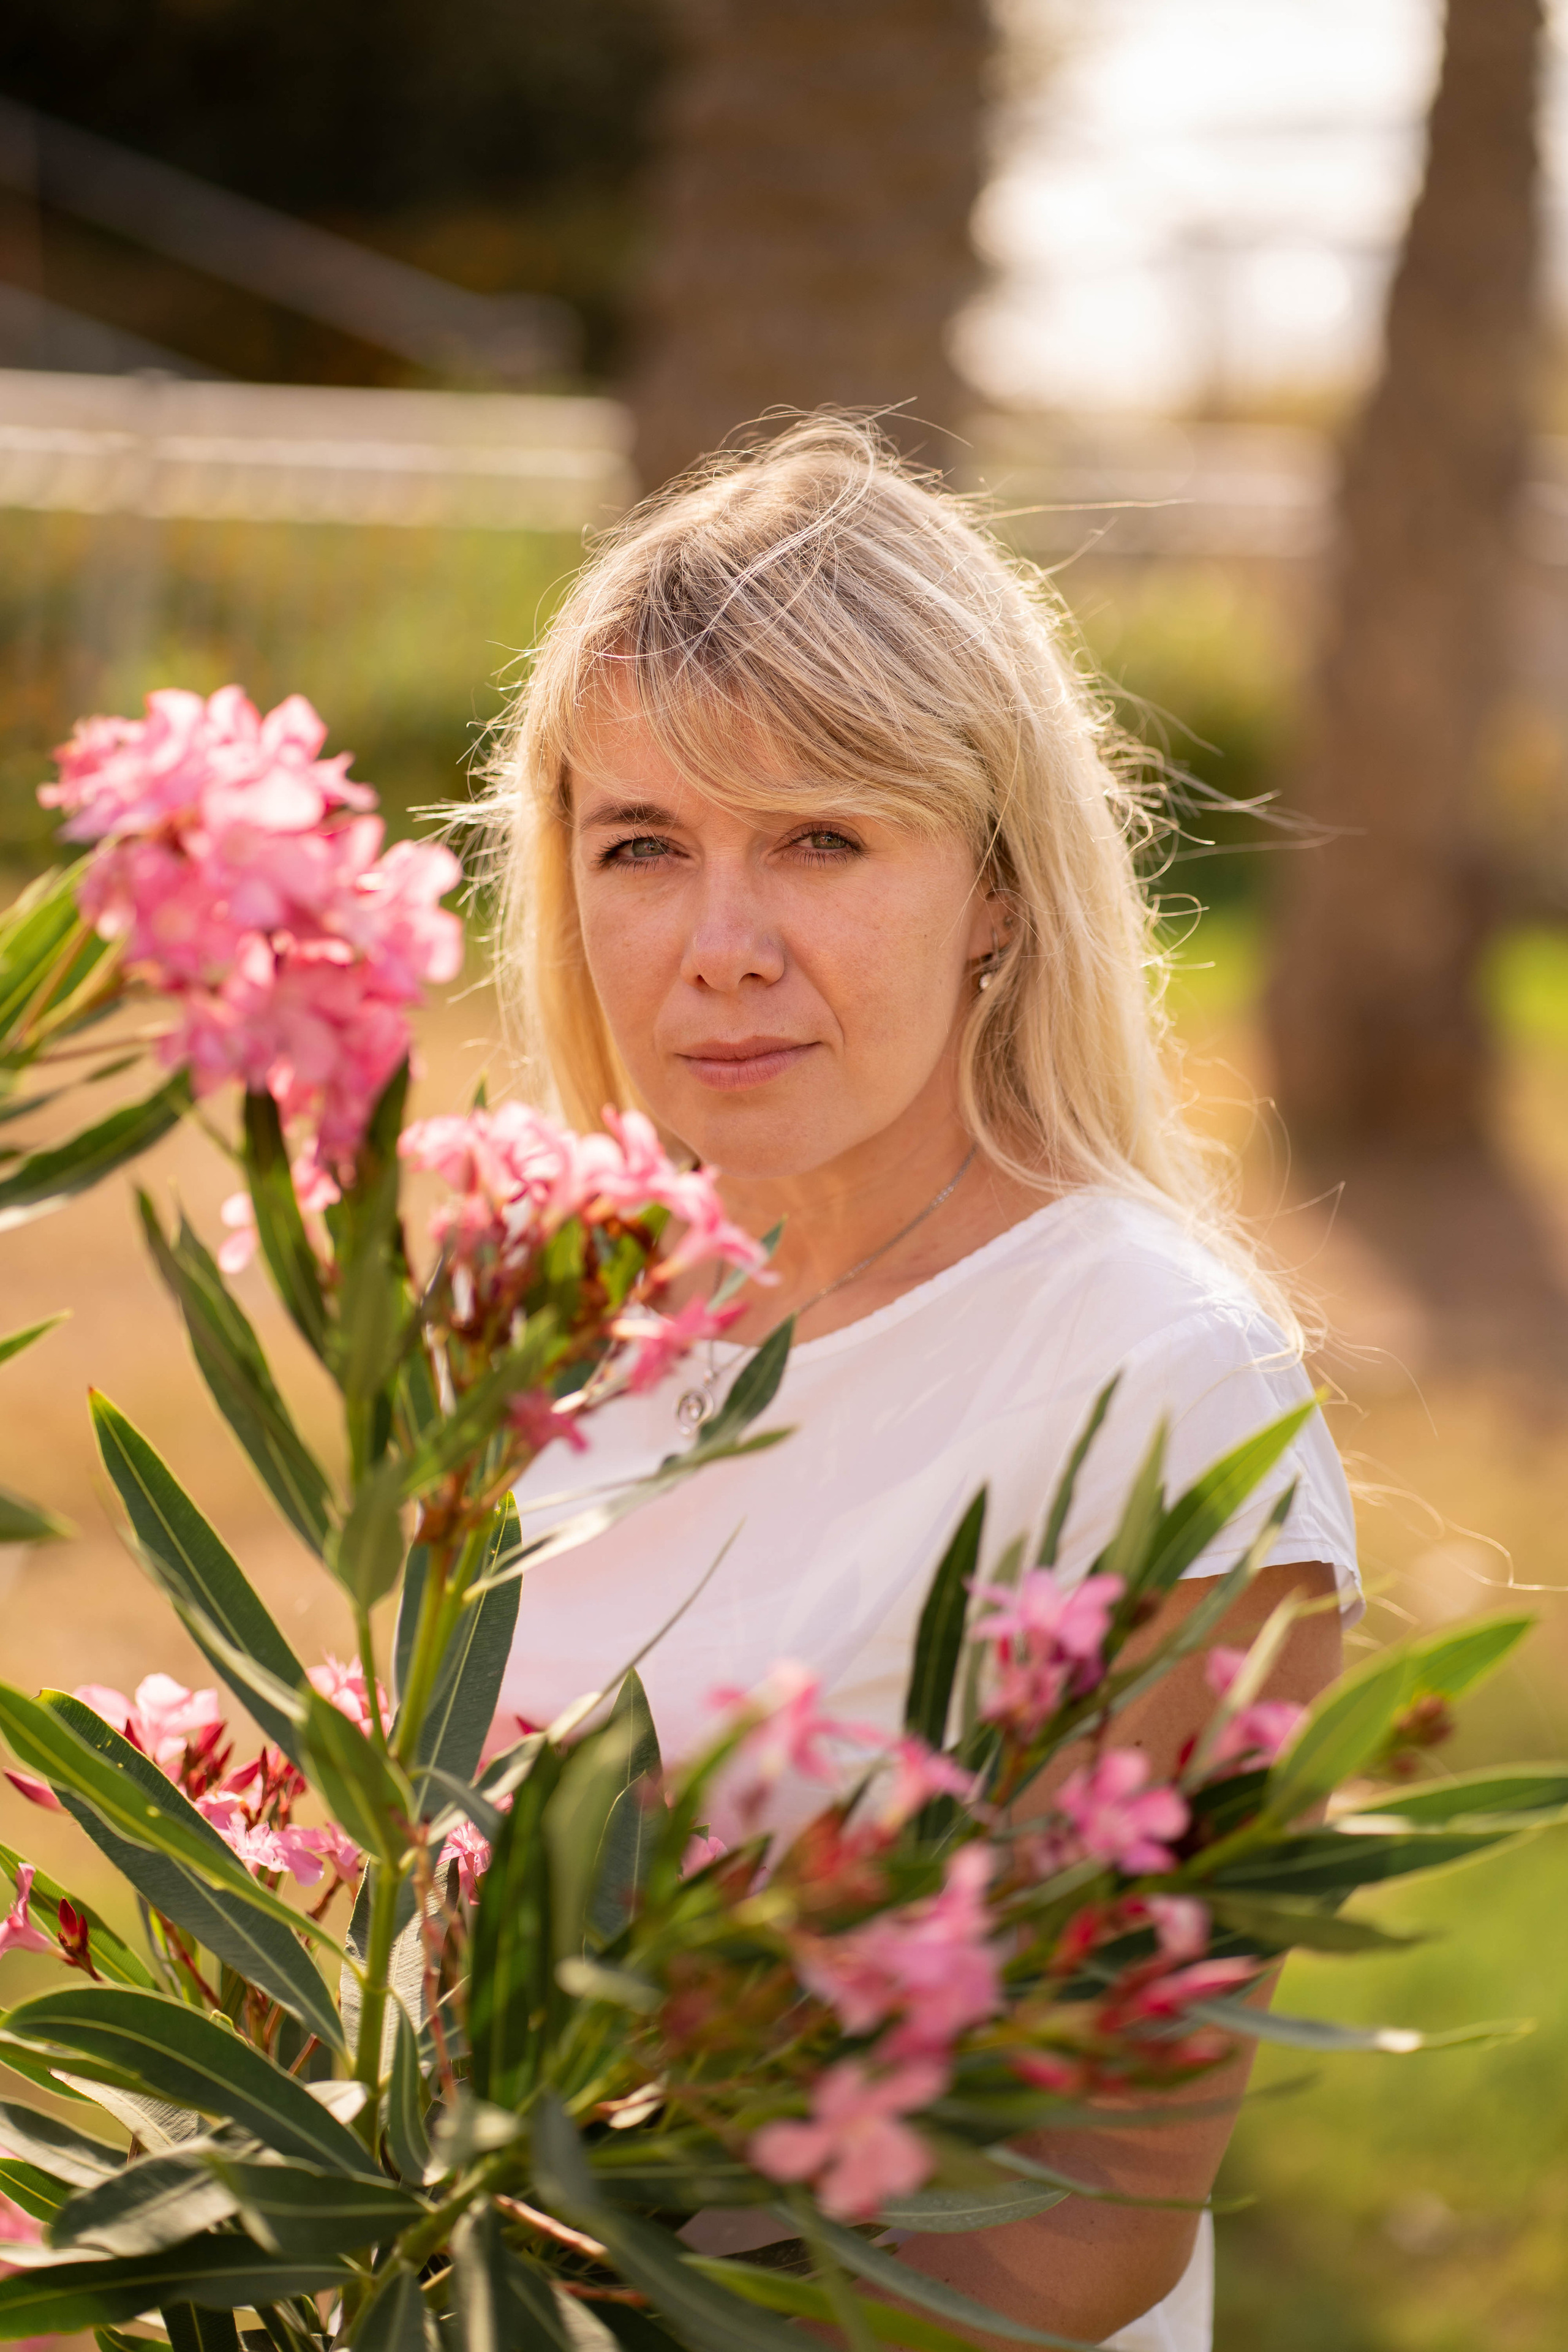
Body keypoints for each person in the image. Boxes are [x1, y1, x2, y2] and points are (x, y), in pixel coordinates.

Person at [475, 417, 1357, 2351]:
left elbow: (1076, 2229)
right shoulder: (557, 1326)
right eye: (644, 846)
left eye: (819, 839)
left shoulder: (1161, 1380)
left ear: (997, 892)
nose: (719, 948)